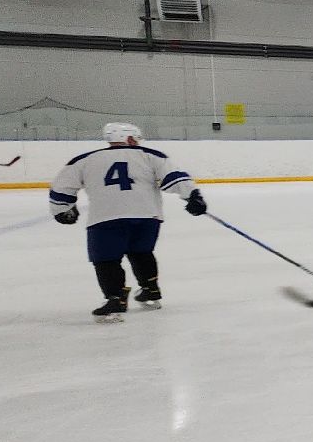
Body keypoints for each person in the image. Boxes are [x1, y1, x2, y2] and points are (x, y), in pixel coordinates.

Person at [47, 122, 206, 322]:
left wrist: (62, 209)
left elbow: (61, 188)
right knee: (141, 252)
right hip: (147, 217)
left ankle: (116, 299)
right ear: (129, 139)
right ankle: (150, 290)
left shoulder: (84, 160)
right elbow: (174, 177)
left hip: (106, 218)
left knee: (106, 259)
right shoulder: (149, 155)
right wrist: (193, 197)